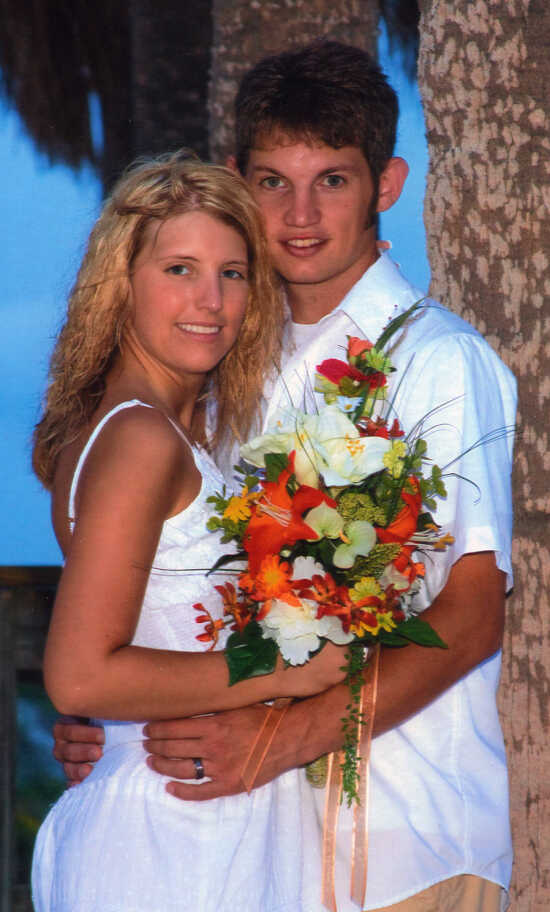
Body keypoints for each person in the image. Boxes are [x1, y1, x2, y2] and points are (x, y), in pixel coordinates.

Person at [52, 42, 517, 912]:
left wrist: (287, 733)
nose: (301, 215)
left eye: (332, 180)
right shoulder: (226, 374)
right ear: (240, 181)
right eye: (273, 182)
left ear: (386, 185)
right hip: (252, 851)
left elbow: (472, 612)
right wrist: (109, 722)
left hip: (404, 840)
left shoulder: (439, 361)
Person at [31, 152, 348, 912]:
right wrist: (286, 670)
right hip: (172, 835)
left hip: (194, 820)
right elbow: (80, 676)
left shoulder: (154, 433)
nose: (211, 300)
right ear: (121, 282)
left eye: (233, 274)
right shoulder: (140, 439)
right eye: (180, 269)